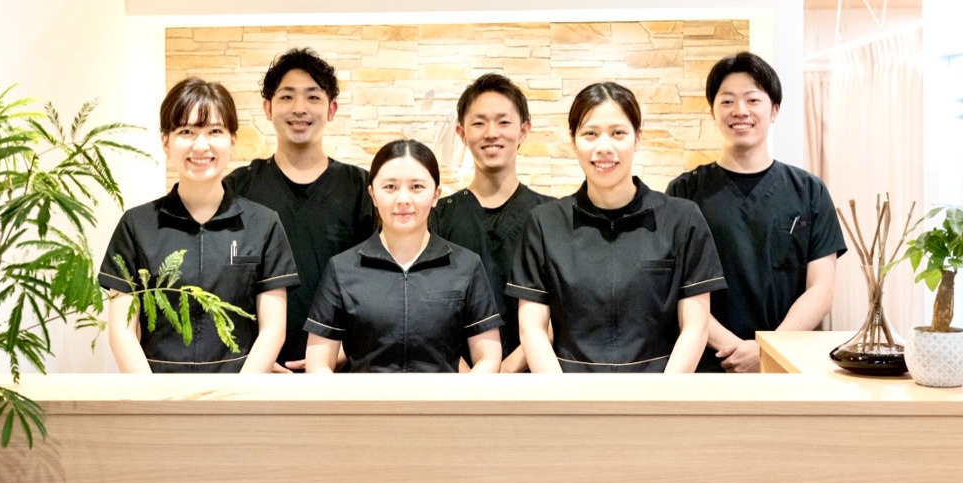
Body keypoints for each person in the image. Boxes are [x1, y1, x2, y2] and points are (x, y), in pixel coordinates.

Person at [506, 82, 725, 373]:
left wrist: (663, 395)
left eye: (618, 133)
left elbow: (695, 327)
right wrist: (562, 396)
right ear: (573, 140)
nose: (604, 147)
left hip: (658, 388)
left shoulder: (682, 219)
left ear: (638, 138)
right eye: (590, 134)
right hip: (570, 390)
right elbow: (532, 329)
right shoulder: (544, 224)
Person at [100, 78, 298, 373]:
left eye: (214, 131)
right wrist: (152, 394)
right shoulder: (136, 225)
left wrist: (240, 393)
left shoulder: (264, 224)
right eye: (186, 132)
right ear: (165, 142)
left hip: (239, 391)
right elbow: (122, 330)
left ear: (232, 140)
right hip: (158, 390)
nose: (201, 145)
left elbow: (273, 330)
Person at [666, 51, 847, 373]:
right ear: (712, 111)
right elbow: (676, 289)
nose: (740, 111)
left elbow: (821, 289)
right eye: (727, 101)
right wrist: (734, 349)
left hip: (787, 364)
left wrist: (767, 350)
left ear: (774, 110)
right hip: (707, 364)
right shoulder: (684, 192)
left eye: (752, 100)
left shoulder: (809, 191)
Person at [224, 48, 373, 372]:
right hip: (254, 372)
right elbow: (222, 283)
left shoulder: (362, 189)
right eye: (287, 96)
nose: (299, 108)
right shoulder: (237, 189)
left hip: (342, 370)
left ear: (332, 109)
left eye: (313, 97)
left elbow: (380, 283)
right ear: (268, 108)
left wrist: (344, 351)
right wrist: (255, 359)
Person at [304, 139, 503, 373]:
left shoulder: (466, 266)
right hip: (365, 397)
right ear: (373, 194)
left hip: (442, 397)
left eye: (417, 187)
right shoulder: (342, 269)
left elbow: (488, 357)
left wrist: (462, 394)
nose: (403, 199)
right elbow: (318, 363)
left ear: (436, 195)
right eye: (390, 187)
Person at [430, 73, 552, 372]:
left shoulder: (550, 216)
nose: (491, 133)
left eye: (504, 122)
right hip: (455, 380)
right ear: (462, 133)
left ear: (524, 130)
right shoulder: (438, 216)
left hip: (535, 377)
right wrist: (471, 377)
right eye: (479, 123)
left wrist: (506, 372)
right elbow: (427, 311)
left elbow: (562, 312)